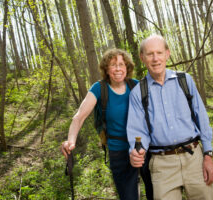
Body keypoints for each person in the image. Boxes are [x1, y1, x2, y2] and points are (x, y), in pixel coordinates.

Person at [127, 35, 213, 200]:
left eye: (159, 52)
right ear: (142, 58)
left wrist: (208, 155)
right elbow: (138, 131)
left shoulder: (184, 80)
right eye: (150, 54)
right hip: (162, 165)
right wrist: (136, 151)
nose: (155, 58)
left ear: (167, 54)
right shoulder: (138, 93)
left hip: (194, 158)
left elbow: (201, 118)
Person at [61, 48, 153, 200]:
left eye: (121, 64)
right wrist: (70, 141)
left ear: (127, 67)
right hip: (119, 151)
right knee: (128, 197)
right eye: (113, 65)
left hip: (142, 148)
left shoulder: (136, 86)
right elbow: (79, 117)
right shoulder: (99, 88)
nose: (118, 68)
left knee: (155, 193)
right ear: (106, 69)